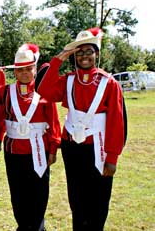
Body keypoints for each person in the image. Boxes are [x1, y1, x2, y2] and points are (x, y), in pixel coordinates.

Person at [36, 27, 127, 231]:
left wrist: (112, 158)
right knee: (77, 199)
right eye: (79, 52)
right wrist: (58, 60)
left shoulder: (109, 83)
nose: (84, 56)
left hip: (98, 148)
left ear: (97, 54)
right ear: (74, 56)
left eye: (89, 51)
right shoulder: (68, 79)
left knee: (98, 201)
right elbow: (44, 91)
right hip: (73, 148)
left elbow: (116, 122)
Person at [0, 43, 61, 231]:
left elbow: (53, 121)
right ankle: (23, 226)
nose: (24, 73)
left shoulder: (43, 92)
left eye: (28, 69)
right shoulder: (4, 92)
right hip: (13, 152)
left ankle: (38, 227)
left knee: (39, 193)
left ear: (35, 69)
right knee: (18, 193)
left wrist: (53, 149)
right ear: (15, 71)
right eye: (20, 69)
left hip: (39, 150)